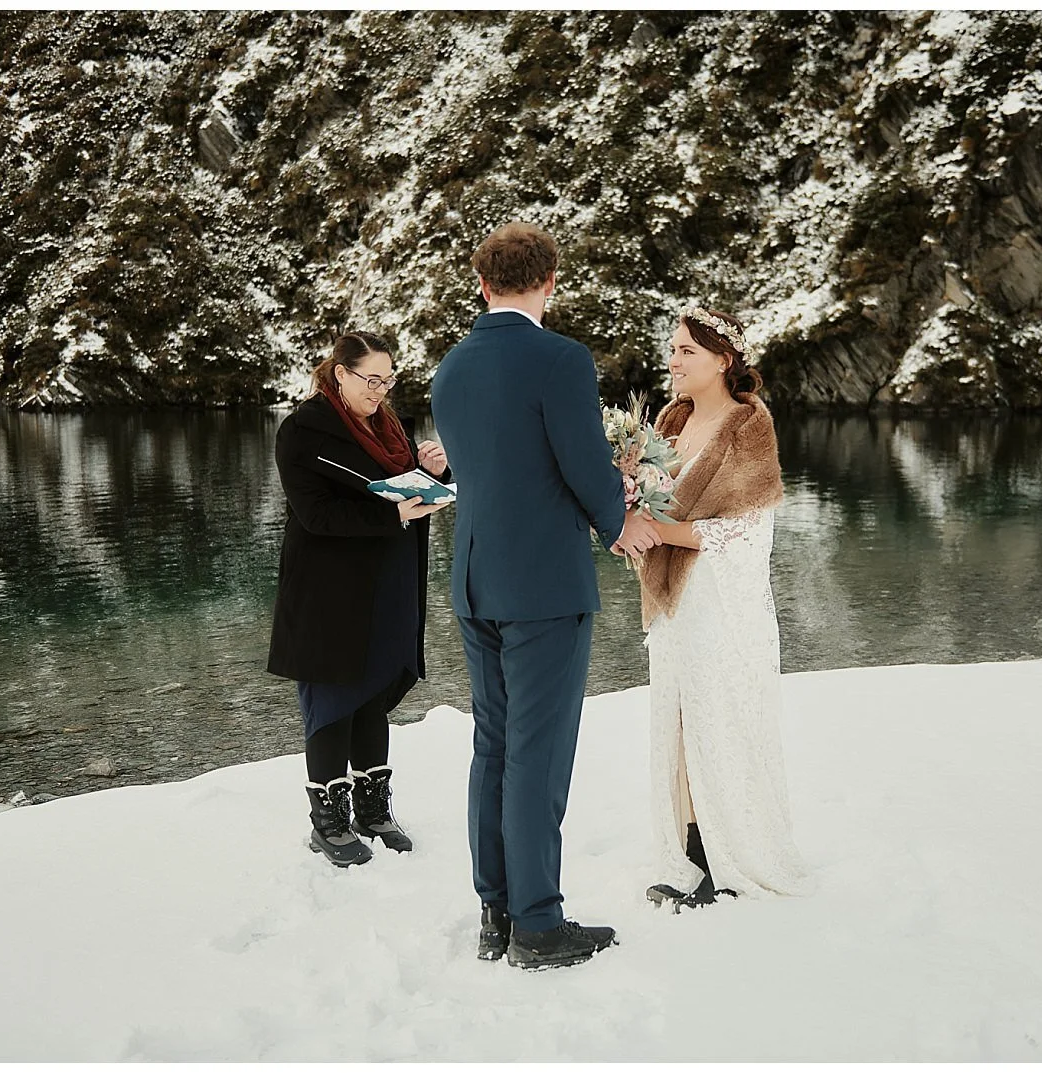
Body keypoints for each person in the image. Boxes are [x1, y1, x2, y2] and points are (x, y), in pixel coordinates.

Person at [430, 222, 661, 970]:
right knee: (538, 751)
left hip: (474, 579)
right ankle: (537, 924)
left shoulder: (449, 369)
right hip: (543, 587)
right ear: (550, 281)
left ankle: (494, 913)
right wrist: (617, 521)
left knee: (493, 745)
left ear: (481, 283)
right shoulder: (561, 359)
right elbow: (581, 460)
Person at [635, 308, 810, 909]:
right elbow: (648, 498)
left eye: (686, 350)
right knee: (678, 720)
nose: (674, 360)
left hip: (721, 599)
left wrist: (651, 525)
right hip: (673, 601)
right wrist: (629, 511)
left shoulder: (748, 426)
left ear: (723, 359)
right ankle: (687, 849)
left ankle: (725, 854)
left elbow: (745, 534)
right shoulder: (669, 419)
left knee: (719, 719)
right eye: (673, 349)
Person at [267, 331, 450, 868]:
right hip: (329, 589)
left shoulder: (391, 427)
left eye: (388, 380)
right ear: (340, 373)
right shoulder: (302, 432)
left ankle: (373, 810)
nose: (381, 390)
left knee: (372, 691)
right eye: (371, 380)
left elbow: (405, 485)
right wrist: (391, 514)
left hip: (390, 580)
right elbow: (315, 515)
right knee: (332, 696)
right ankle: (329, 820)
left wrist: (435, 474)